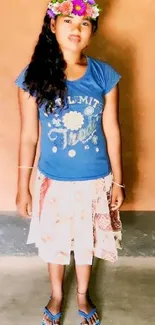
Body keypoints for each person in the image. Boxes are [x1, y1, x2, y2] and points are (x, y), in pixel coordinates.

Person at [15, 0, 125, 324]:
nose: (76, 29)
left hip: (95, 180)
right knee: (56, 244)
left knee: (86, 242)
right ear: (53, 26)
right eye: (68, 21)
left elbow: (113, 131)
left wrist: (118, 181)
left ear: (92, 31)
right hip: (53, 182)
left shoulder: (104, 74)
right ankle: (57, 293)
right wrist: (23, 188)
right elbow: (27, 138)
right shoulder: (32, 77)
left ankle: (82, 293)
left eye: (84, 23)